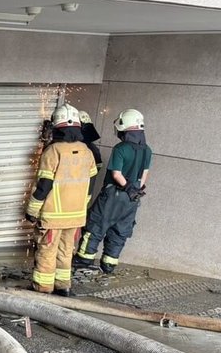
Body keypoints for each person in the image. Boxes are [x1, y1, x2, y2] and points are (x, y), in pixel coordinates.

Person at [25, 104, 97, 296]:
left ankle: (42, 287)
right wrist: (84, 204)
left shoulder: (53, 151)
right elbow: (91, 181)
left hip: (53, 215)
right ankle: (63, 286)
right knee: (66, 251)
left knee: (47, 250)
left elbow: (44, 186)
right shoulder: (86, 151)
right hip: (76, 215)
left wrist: (32, 211)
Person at [73, 109, 152, 273]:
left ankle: (83, 260)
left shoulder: (121, 148)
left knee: (96, 226)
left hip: (114, 194)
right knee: (120, 231)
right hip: (133, 198)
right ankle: (109, 264)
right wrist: (135, 190)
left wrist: (126, 186)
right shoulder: (147, 150)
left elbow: (116, 174)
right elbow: (145, 174)